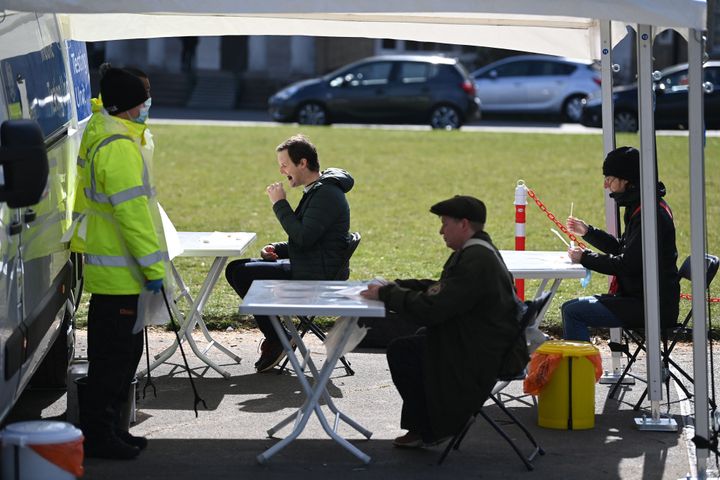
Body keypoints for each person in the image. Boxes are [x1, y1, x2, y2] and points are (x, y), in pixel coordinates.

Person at [360, 196, 522, 448]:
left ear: (463, 224)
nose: (440, 230)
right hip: (482, 341)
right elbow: (443, 290)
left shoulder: (475, 259)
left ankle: (435, 425)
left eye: (445, 223)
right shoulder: (477, 251)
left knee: (405, 351)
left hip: (482, 352)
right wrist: (399, 286)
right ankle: (426, 425)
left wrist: (386, 294)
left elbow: (432, 309)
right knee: (416, 342)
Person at [77, 67, 165, 460]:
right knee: (113, 362)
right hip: (121, 276)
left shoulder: (113, 134)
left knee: (121, 357)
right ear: (130, 105)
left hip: (117, 275)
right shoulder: (118, 146)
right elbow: (132, 216)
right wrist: (154, 268)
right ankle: (99, 435)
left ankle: (111, 428)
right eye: (143, 99)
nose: (147, 105)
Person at [225, 134, 354, 372]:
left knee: (242, 273)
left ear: (302, 163)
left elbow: (304, 237)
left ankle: (279, 339)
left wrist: (279, 204)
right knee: (236, 269)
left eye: (285, 164)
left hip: (316, 277)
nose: (282, 170)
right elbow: (309, 237)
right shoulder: (318, 189)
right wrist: (278, 248)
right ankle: (280, 337)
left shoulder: (326, 194)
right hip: (311, 264)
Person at [561, 146, 680, 342]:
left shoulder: (650, 215)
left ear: (627, 180)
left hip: (651, 305)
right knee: (569, 308)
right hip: (642, 298)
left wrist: (585, 258)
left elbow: (627, 265)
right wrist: (588, 232)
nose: (606, 185)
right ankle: (582, 369)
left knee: (573, 312)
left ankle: (582, 372)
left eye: (610, 179)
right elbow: (622, 248)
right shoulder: (642, 206)